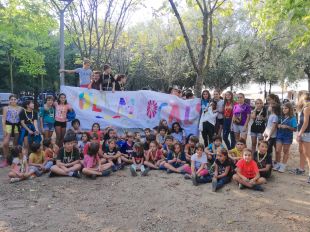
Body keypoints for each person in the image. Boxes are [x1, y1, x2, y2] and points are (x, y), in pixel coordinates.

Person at [274, 102, 297, 173]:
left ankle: (283, 165)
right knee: (277, 150)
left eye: (286, 108)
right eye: (283, 108)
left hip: (287, 136)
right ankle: (277, 164)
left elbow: (295, 129)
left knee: (285, 151)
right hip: (279, 135)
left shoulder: (293, 118)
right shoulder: (280, 116)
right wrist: (278, 125)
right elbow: (276, 125)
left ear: (290, 109)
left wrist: (287, 126)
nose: (284, 110)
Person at [1, 94, 21, 168]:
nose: (13, 100)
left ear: (17, 100)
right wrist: (4, 129)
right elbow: (3, 119)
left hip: (16, 126)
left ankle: (15, 160)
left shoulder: (20, 108)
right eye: (11, 99)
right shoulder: (6, 108)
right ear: (9, 100)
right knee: (5, 144)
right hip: (8, 126)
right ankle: (6, 160)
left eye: (14, 99)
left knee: (15, 145)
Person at [296, 92, 310, 183]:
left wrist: (299, 134)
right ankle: (301, 169)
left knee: (308, 155)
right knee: (301, 151)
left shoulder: (307, 108)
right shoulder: (303, 108)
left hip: (306, 133)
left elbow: (305, 123)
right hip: (303, 132)